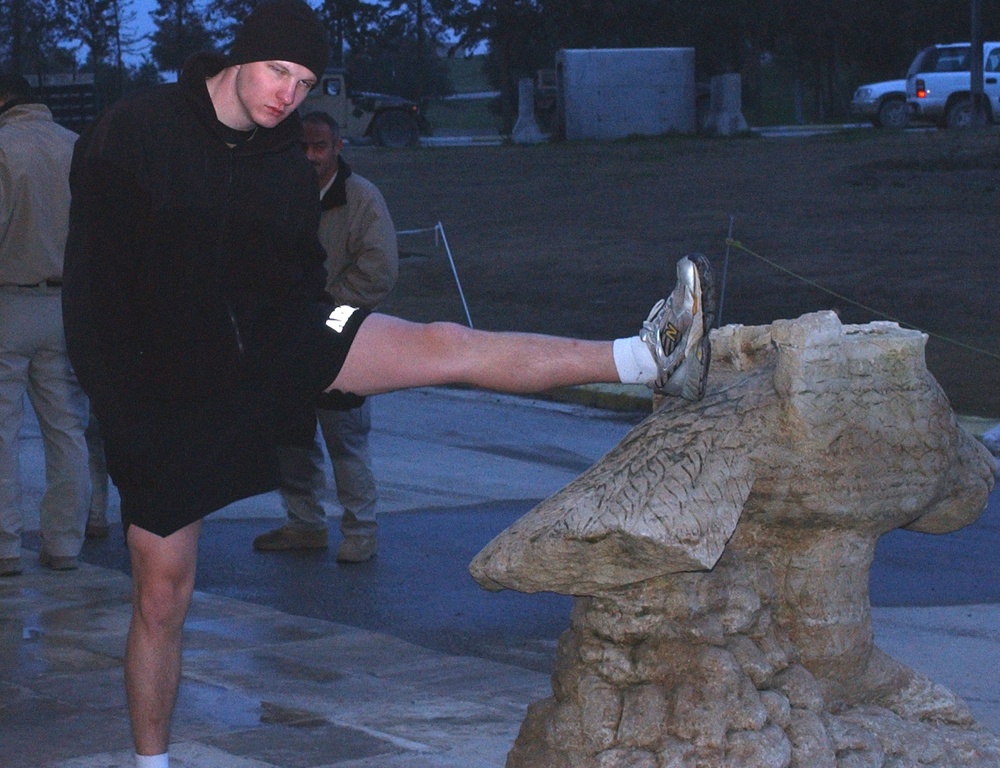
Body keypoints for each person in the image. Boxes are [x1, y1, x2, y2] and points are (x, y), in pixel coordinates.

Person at [61, 0, 714, 764]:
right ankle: (153, 761)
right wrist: (120, 405)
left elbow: (297, 273)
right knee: (161, 598)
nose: (288, 95)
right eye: (278, 71)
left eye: (305, 82)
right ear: (239, 57)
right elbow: (92, 290)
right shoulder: (134, 131)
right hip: (162, 387)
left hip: (276, 337)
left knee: (443, 342)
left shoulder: (283, 156)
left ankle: (649, 356)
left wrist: (319, 354)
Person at [253, 111, 398, 562]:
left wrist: (329, 317)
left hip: (340, 337)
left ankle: (360, 531)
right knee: (289, 439)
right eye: (302, 147)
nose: (311, 156)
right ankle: (304, 523)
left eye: (319, 146)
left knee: (345, 437)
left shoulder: (361, 197)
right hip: (288, 337)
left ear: (338, 146)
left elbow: (378, 270)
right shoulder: (279, 193)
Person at [0, 74, 90, 577]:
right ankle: (64, 544)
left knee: (2, 431)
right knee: (66, 428)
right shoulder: (77, 147)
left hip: (8, 300)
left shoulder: (3, 148)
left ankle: (5, 546)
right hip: (65, 303)